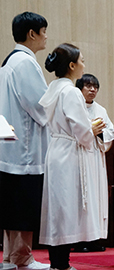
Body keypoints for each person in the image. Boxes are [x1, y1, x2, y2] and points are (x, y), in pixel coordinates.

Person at [38, 43, 103, 270]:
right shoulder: (71, 91)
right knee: (66, 209)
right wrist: (92, 131)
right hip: (69, 153)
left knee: (58, 209)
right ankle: (62, 264)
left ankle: (57, 261)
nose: (84, 65)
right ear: (72, 65)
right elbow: (81, 131)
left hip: (56, 149)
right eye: (82, 60)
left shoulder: (53, 87)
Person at [0, 11, 50, 270]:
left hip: (10, 148)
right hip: (26, 149)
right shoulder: (25, 63)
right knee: (22, 204)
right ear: (32, 34)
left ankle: (10, 257)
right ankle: (23, 258)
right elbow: (40, 106)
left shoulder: (9, 62)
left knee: (11, 205)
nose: (46, 37)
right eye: (44, 31)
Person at [72, 74, 114, 252]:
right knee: (82, 196)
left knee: (96, 197)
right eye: (88, 86)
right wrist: (89, 129)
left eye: (95, 86)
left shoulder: (101, 110)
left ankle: (95, 238)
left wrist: (99, 132)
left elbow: (110, 131)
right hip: (79, 157)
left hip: (96, 159)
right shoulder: (74, 107)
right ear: (79, 88)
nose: (92, 90)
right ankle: (79, 239)